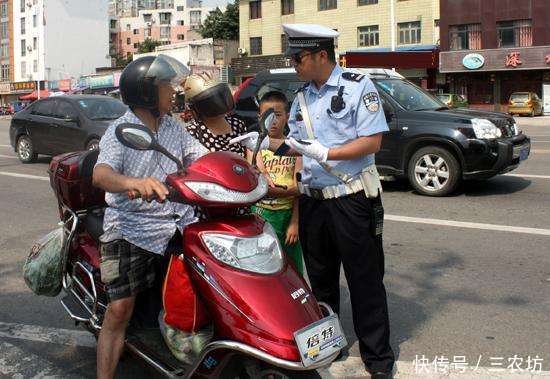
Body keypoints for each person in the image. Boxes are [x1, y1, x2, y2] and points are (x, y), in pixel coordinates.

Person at [231, 24, 395, 378]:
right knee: (319, 282)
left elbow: (373, 141)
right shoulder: (303, 96)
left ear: (322, 55)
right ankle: (329, 345)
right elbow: (298, 147)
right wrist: (262, 144)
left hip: (350, 198)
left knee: (364, 279)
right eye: (292, 57)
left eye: (299, 57)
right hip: (313, 201)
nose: (294, 64)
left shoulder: (357, 86)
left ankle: (378, 358)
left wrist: (329, 152)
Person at [92, 55, 206, 379]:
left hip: (178, 222)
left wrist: (240, 165)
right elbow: (101, 174)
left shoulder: (174, 127)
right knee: (119, 309)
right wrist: (134, 183)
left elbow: (201, 157)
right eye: (165, 87)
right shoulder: (119, 131)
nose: (173, 92)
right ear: (145, 93)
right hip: (132, 227)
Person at [252, 91, 304, 276]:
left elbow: (300, 186)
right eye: (267, 115)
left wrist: (295, 222)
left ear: (287, 117)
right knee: (263, 268)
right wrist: (290, 190)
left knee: (292, 268)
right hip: (260, 215)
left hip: (287, 215)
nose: (273, 121)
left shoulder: (295, 146)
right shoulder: (254, 144)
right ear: (260, 116)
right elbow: (259, 185)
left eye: (278, 115)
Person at [183, 72, 247, 158]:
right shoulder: (192, 133)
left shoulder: (237, 124)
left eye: (220, 97)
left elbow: (252, 158)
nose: (217, 104)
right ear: (196, 107)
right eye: (209, 102)